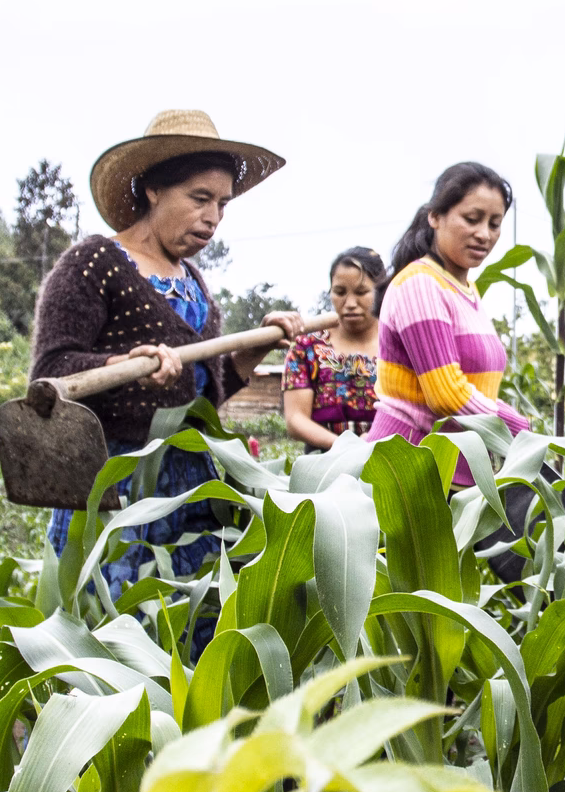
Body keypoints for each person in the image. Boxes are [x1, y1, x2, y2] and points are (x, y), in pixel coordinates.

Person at [31, 109, 306, 608]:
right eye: (199, 199)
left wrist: (260, 343)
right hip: (117, 482)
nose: (213, 217)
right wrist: (125, 368)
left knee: (191, 621)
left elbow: (208, 387)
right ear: (153, 189)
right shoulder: (94, 264)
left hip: (190, 482)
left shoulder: (193, 281)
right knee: (122, 626)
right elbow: (50, 374)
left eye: (222, 203)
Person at [366, 163, 531, 471]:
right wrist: (521, 430)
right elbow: (447, 395)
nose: (484, 234)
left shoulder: (466, 290)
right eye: (472, 219)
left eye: (495, 224)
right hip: (408, 471)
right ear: (435, 216)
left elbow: (478, 390)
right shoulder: (420, 284)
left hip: (456, 472)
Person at [282, 246, 386, 448]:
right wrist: (344, 448)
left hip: (389, 462)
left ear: (381, 292)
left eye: (362, 292)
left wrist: (374, 443)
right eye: (340, 292)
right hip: (323, 467)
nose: (350, 303)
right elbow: (295, 419)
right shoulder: (307, 347)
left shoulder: (400, 345)